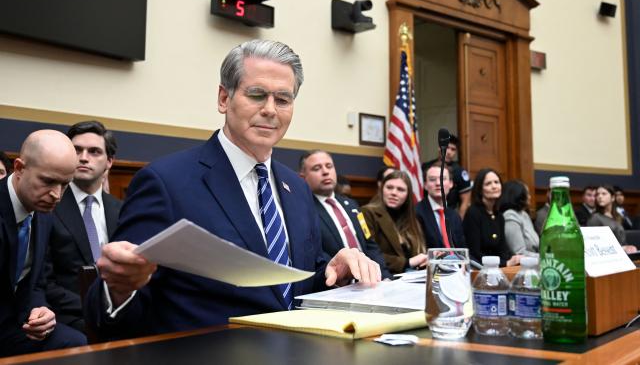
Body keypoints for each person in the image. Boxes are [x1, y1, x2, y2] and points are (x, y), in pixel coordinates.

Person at [85, 39, 381, 339]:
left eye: (283, 99)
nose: (270, 110)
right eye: (256, 95)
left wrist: (336, 272)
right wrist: (119, 289)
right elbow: (121, 295)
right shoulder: (165, 182)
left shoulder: (297, 187)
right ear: (224, 99)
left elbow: (294, 286)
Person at [0, 130, 87, 357]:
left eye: (65, 185)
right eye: (48, 181)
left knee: (78, 344)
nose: (56, 195)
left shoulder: (44, 212)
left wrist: (40, 310)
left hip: (14, 323)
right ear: (19, 168)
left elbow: (36, 282)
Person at [43, 121, 123, 333]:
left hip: (119, 310)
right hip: (68, 317)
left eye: (94, 151)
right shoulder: (48, 205)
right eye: (76, 150)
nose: (84, 157)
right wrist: (96, 306)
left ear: (109, 162)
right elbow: (44, 281)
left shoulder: (122, 209)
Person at [299, 150, 391, 278]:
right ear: (303, 177)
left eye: (329, 166)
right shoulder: (303, 209)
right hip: (339, 283)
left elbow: (369, 243)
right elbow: (315, 254)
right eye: (316, 168)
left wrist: (384, 276)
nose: (325, 172)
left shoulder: (351, 204)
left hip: (371, 279)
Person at [361, 170, 427, 273]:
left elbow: (419, 252)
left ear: (408, 195)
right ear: (382, 189)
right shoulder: (366, 213)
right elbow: (368, 253)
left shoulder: (412, 218)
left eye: (400, 189)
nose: (394, 193)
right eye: (389, 187)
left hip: (413, 278)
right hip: (384, 277)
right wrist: (407, 262)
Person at [462, 168, 520, 267]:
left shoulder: (499, 216)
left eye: (496, 182)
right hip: (478, 270)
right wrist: (505, 263)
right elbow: (474, 253)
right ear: (480, 190)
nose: (494, 186)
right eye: (488, 184)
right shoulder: (473, 213)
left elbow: (502, 249)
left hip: (497, 270)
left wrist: (515, 258)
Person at [415, 162, 466, 250]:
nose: (438, 183)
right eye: (432, 179)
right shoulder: (416, 213)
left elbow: (462, 249)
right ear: (425, 185)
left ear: (451, 184)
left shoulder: (454, 216)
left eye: (443, 179)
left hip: (457, 262)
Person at [422, 134, 472, 218]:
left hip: (448, 215)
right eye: (447, 147)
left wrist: (458, 221)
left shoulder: (460, 172)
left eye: (453, 149)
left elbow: (465, 201)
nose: (449, 152)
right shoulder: (426, 167)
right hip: (426, 213)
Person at [587, 185, 637, 253]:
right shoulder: (595, 218)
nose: (600, 196)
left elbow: (622, 240)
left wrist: (628, 247)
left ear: (612, 198)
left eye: (604, 194)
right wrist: (623, 248)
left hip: (623, 254)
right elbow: (593, 245)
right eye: (597, 194)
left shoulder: (618, 216)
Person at [498, 180, 539, 256]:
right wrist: (543, 257)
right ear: (518, 195)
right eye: (527, 194)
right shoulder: (510, 215)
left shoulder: (524, 214)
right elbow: (519, 252)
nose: (530, 197)